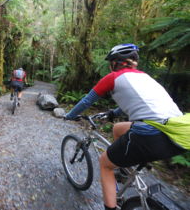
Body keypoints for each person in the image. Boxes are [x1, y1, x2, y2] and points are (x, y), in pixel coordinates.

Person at [64, 44, 186, 210]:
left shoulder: (113, 78)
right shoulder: (145, 78)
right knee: (118, 128)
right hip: (180, 133)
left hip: (150, 135)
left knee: (105, 164)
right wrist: (113, 113)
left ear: (115, 63)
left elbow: (87, 101)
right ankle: (122, 169)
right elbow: (137, 101)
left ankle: (110, 204)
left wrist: (69, 115)